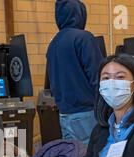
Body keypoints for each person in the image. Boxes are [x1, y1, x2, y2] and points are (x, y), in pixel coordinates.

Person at [47, 0, 103, 145]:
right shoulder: (84, 38)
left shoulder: (53, 43)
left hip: (64, 113)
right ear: (80, 14)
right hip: (86, 112)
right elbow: (98, 76)